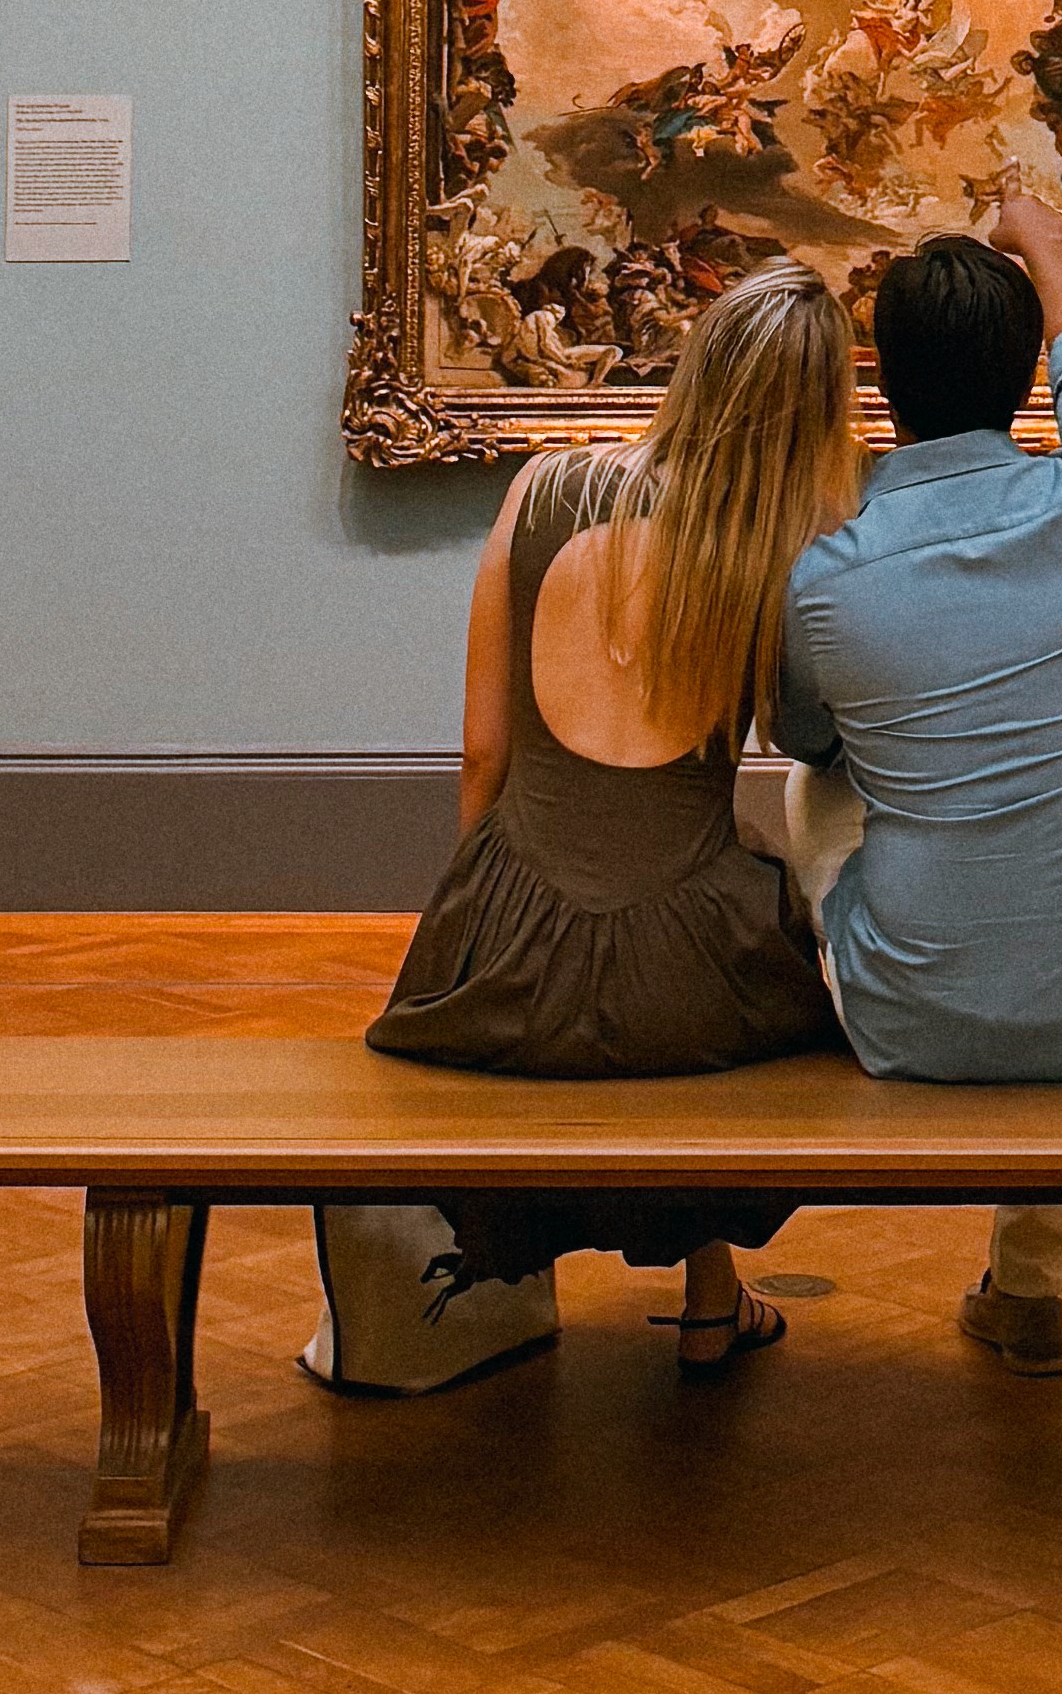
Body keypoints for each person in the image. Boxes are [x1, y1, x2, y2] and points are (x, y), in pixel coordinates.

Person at [355, 255, 853, 1377]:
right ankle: (712, 1295)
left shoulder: (541, 487)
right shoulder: (785, 550)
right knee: (746, 894)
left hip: (511, 951)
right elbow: (807, 737)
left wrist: (476, 927)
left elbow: (484, 751)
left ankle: (505, 1284)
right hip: (694, 985)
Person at [770, 195, 1062, 1381]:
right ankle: (1027, 1287)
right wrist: (1036, 235)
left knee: (814, 797)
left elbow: (810, 739)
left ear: (883, 377)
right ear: (1026, 373)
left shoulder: (826, 578)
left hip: (913, 1011)